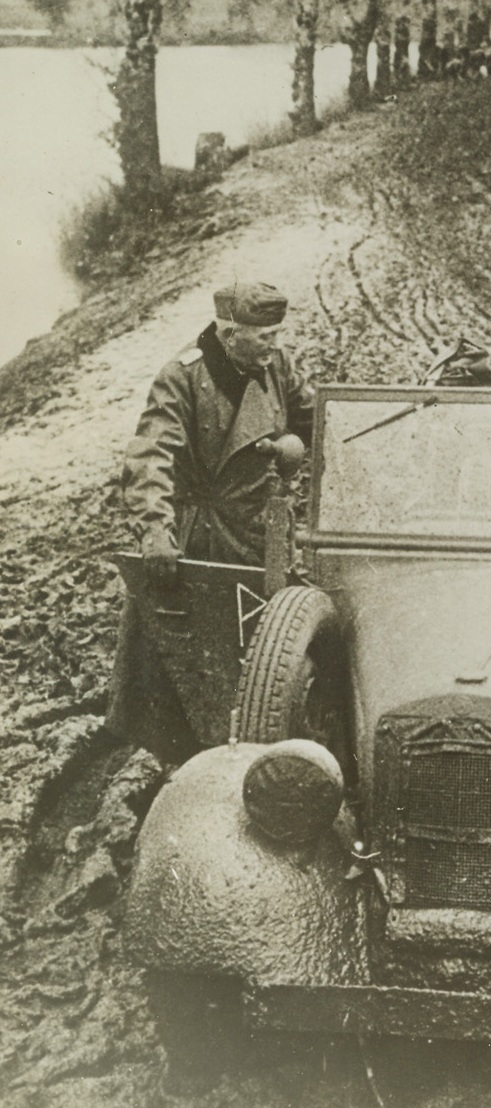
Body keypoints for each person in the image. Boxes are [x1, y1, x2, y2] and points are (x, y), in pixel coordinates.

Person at [106, 281, 314, 762]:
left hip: (257, 532)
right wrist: (156, 530)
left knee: (273, 652)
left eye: (277, 334)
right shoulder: (181, 377)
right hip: (197, 535)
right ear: (229, 332)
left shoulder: (276, 365)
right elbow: (150, 456)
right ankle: (173, 759)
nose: (274, 345)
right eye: (264, 336)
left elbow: (316, 419)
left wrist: (291, 447)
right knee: (175, 656)